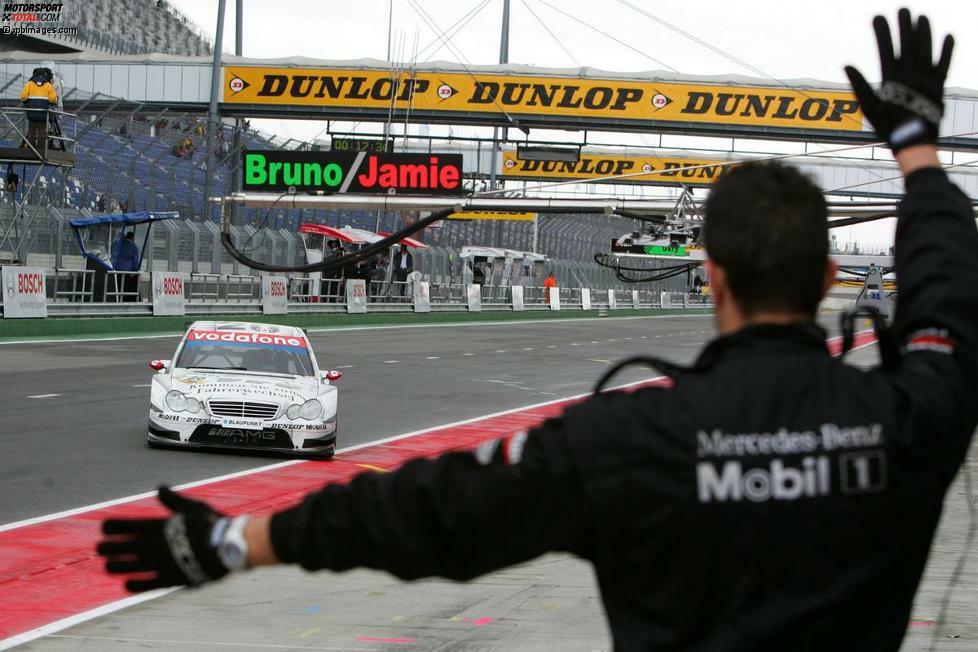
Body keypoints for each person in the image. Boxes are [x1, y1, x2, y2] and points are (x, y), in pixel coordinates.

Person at [98, 12, 978, 650]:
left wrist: (239, 540)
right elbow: (947, 299)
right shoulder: (913, 417)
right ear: (829, 279)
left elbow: (432, 511)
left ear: (709, 273)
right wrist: (919, 154)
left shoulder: (629, 438)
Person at [19, 67, 57, 155]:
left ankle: (31, 148)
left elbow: (23, 97)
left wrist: (29, 101)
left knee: (31, 130)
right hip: (43, 113)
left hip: (31, 112)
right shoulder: (48, 85)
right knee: (42, 131)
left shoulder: (29, 84)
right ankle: (40, 150)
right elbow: (53, 99)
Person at [111, 231, 141, 302]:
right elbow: (135, 261)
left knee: (117, 287)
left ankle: (117, 300)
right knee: (126, 289)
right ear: (133, 238)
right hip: (128, 272)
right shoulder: (133, 247)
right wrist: (135, 270)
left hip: (116, 270)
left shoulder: (118, 245)